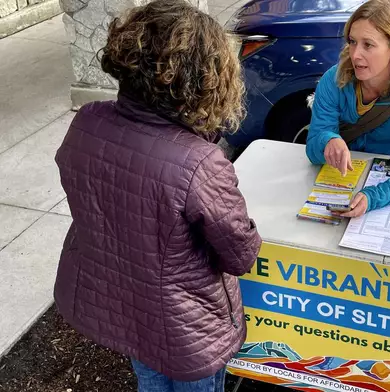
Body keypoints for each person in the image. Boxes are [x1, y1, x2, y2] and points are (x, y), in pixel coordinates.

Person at [53, 1, 262, 391]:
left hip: (128, 311)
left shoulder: (87, 122)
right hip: (189, 332)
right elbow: (241, 255)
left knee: (149, 382)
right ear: (204, 80)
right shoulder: (199, 163)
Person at [305, 0, 390, 218]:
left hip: (389, 194)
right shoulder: (334, 79)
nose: (355, 54)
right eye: (352, 41)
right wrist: (328, 140)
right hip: (334, 187)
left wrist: (374, 197)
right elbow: (313, 151)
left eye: (368, 45)